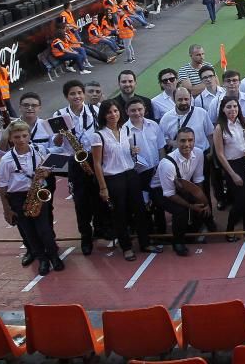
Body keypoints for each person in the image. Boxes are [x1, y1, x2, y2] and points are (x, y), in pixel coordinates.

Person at [92, 100, 160, 261]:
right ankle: (127, 247)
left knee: (140, 210)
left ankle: (145, 243)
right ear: (103, 115)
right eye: (109, 112)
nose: (113, 115)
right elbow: (97, 163)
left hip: (131, 174)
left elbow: (125, 152)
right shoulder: (99, 135)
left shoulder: (125, 129)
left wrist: (132, 150)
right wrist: (103, 187)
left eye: (115, 111)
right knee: (120, 214)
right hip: (113, 178)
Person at [0, 120, 62, 276]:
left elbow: (49, 168)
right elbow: (2, 186)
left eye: (24, 136)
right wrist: (7, 210)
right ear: (11, 139)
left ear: (29, 136)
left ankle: (54, 256)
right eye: (17, 137)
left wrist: (46, 173)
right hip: (18, 198)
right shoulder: (6, 160)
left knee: (45, 230)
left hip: (39, 192)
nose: (21, 140)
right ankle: (42, 259)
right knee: (29, 232)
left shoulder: (39, 150)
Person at [52, 80, 107, 255]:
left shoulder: (95, 110)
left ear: (84, 94)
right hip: (75, 161)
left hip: (94, 157)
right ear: (66, 96)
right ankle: (85, 236)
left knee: (99, 196)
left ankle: (100, 228)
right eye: (72, 94)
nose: (76, 96)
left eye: (79, 93)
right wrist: (61, 135)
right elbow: (56, 143)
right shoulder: (59, 115)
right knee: (81, 202)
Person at [152, 128, 214, 256]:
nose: (187, 144)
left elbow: (198, 180)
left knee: (201, 203)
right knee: (180, 211)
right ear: (176, 142)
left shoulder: (198, 153)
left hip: (180, 186)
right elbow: (169, 194)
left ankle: (194, 231)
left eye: (190, 140)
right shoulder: (167, 164)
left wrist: (203, 201)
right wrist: (191, 206)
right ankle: (178, 243)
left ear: (195, 141)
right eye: (183, 141)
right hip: (160, 191)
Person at [214, 96, 245, 241]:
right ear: (223, 109)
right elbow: (220, 154)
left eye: (235, 106)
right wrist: (232, 175)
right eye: (229, 107)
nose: (232, 109)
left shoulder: (244, 120)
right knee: (239, 201)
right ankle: (230, 230)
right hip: (233, 165)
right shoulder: (220, 127)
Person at [124, 98, 166, 235]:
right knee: (142, 206)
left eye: (139, 109)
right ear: (127, 112)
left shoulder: (153, 125)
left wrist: (162, 167)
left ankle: (162, 232)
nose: (137, 113)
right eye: (133, 110)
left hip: (155, 171)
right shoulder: (123, 130)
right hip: (138, 174)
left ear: (145, 110)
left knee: (159, 203)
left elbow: (161, 148)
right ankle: (148, 233)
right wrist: (130, 152)